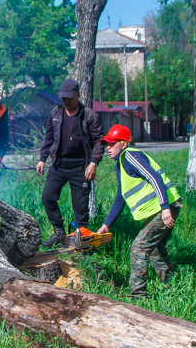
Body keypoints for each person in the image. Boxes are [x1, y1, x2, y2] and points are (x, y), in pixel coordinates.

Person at [96, 124, 182, 297]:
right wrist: (106, 224)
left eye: (112, 144)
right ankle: (171, 288)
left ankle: (138, 295)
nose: (108, 148)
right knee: (156, 249)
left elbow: (154, 177)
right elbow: (121, 198)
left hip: (165, 207)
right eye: (107, 144)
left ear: (124, 144)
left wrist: (165, 208)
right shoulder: (120, 165)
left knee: (139, 248)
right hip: (162, 208)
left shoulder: (130, 156)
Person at [36, 78, 105, 249]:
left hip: (81, 167)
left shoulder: (89, 115)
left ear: (78, 95)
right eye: (63, 98)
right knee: (47, 197)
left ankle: (80, 240)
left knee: (81, 208)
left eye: (69, 98)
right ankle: (59, 232)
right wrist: (42, 158)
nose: (65, 101)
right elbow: (49, 137)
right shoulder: (56, 113)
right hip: (59, 165)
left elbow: (99, 140)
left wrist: (94, 162)